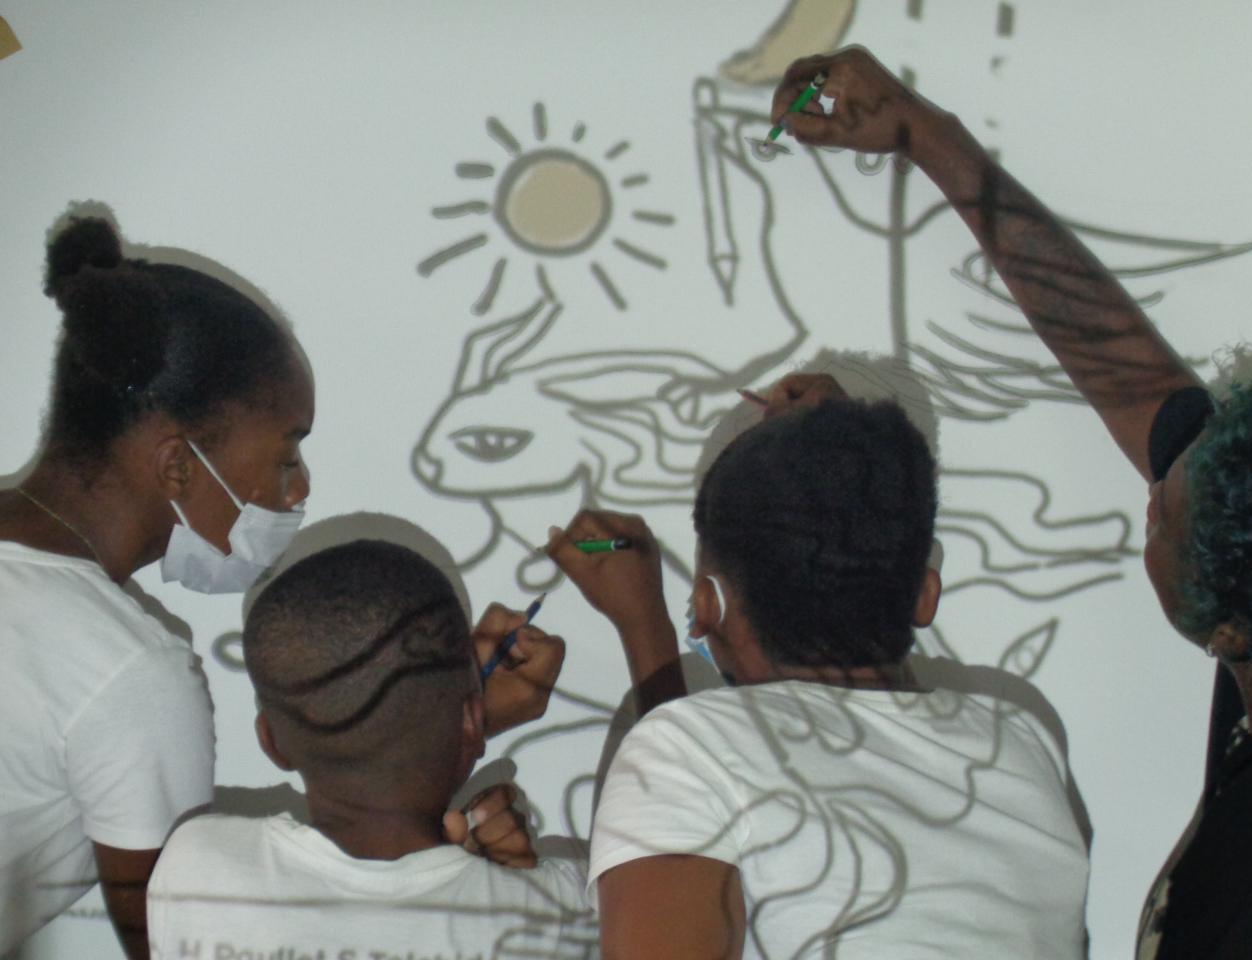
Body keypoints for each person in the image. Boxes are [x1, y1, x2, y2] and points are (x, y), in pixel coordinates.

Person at [770, 46, 1252, 958]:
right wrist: (927, 135)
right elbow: (1131, 375)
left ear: (1230, 629)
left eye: (1163, 515)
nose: (1152, 492)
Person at [0, 214, 544, 959]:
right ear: (177, 466)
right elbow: (184, 944)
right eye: (288, 454)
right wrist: (447, 736)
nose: (299, 490)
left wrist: (442, 721)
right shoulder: (127, 674)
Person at [547, 399, 1090, 959]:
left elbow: (719, 766)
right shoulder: (1018, 744)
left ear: (708, 605)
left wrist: (645, 627)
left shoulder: (682, 751)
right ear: (924, 596)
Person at [146, 539, 595, 959]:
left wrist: (462, 721)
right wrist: (462, 725)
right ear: (471, 719)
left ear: (271, 742)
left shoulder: (196, 869)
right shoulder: (560, 910)